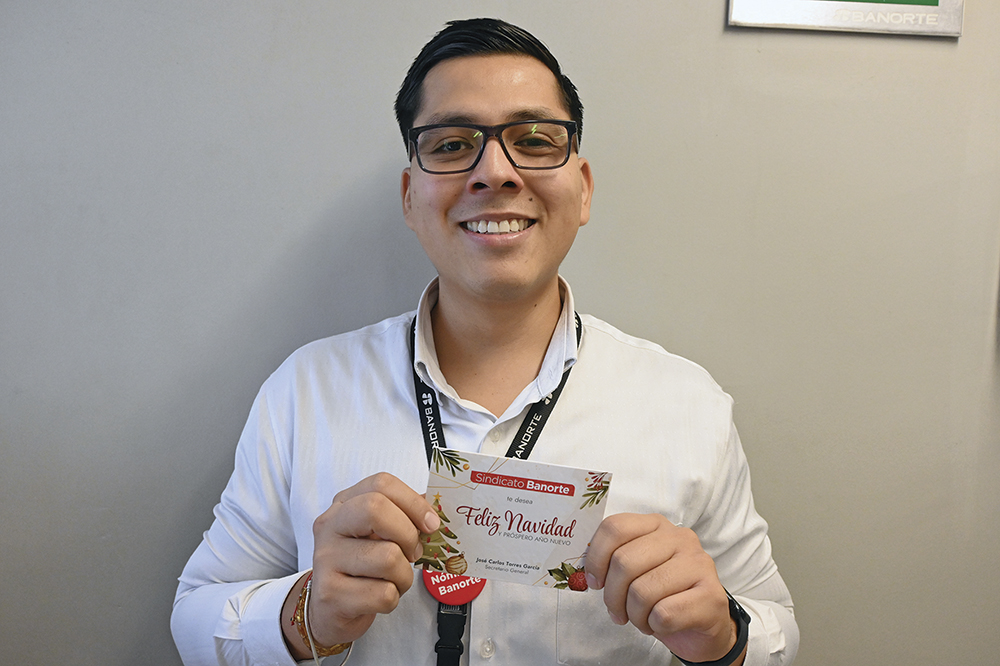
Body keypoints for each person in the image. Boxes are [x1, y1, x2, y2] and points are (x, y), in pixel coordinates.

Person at [171, 17, 798, 666]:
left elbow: (776, 625)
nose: (495, 172)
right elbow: (195, 615)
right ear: (410, 197)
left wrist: (723, 637)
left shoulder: (687, 405)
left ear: (583, 189)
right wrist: (303, 614)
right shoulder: (306, 391)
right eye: (451, 145)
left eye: (534, 140)